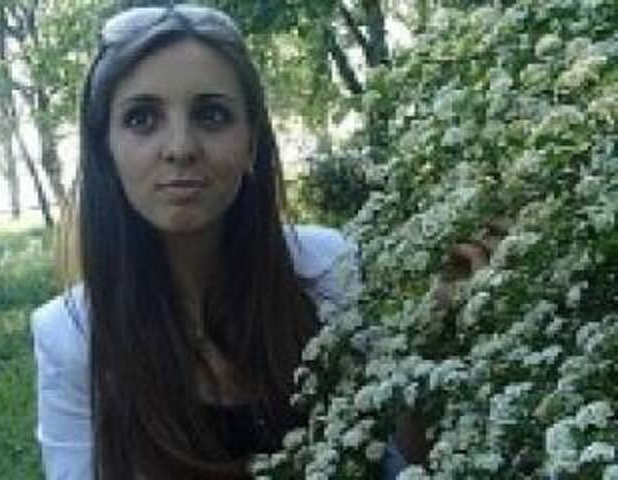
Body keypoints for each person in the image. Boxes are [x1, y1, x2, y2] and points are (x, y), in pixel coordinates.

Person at [31, 4, 406, 479]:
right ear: (105, 147)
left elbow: (397, 458)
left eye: (212, 115)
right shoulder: (70, 338)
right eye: (142, 119)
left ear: (252, 141)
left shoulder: (328, 270)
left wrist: (437, 331)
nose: (181, 148)